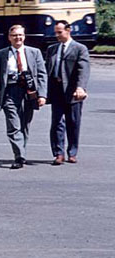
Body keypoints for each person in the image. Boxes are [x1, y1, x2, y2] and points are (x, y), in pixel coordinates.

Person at [0, 24, 47, 169]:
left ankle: (22, 152)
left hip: (29, 92)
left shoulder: (35, 53)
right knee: (14, 125)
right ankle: (19, 156)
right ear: (9, 38)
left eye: (20, 35)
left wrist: (42, 95)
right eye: (14, 35)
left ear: (24, 36)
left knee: (24, 125)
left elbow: (41, 75)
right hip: (9, 91)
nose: (18, 38)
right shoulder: (0, 54)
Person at [45, 21, 90, 164]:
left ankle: (72, 152)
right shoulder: (52, 49)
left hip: (73, 92)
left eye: (60, 32)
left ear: (68, 30)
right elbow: (46, 71)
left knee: (73, 122)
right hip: (56, 90)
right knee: (57, 122)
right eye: (56, 32)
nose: (57, 35)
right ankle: (58, 153)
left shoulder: (80, 49)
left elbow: (83, 70)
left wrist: (80, 87)